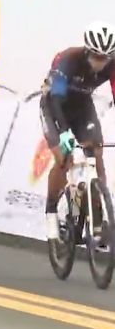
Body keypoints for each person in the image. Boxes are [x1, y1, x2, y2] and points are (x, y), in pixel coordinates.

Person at [41, 22, 115, 242]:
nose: (100, 63)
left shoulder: (112, 64)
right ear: (87, 51)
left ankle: (97, 218)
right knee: (64, 159)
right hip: (54, 105)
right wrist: (64, 133)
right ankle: (51, 212)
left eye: (105, 58)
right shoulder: (68, 59)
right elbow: (56, 99)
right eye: (96, 57)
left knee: (96, 154)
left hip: (82, 107)